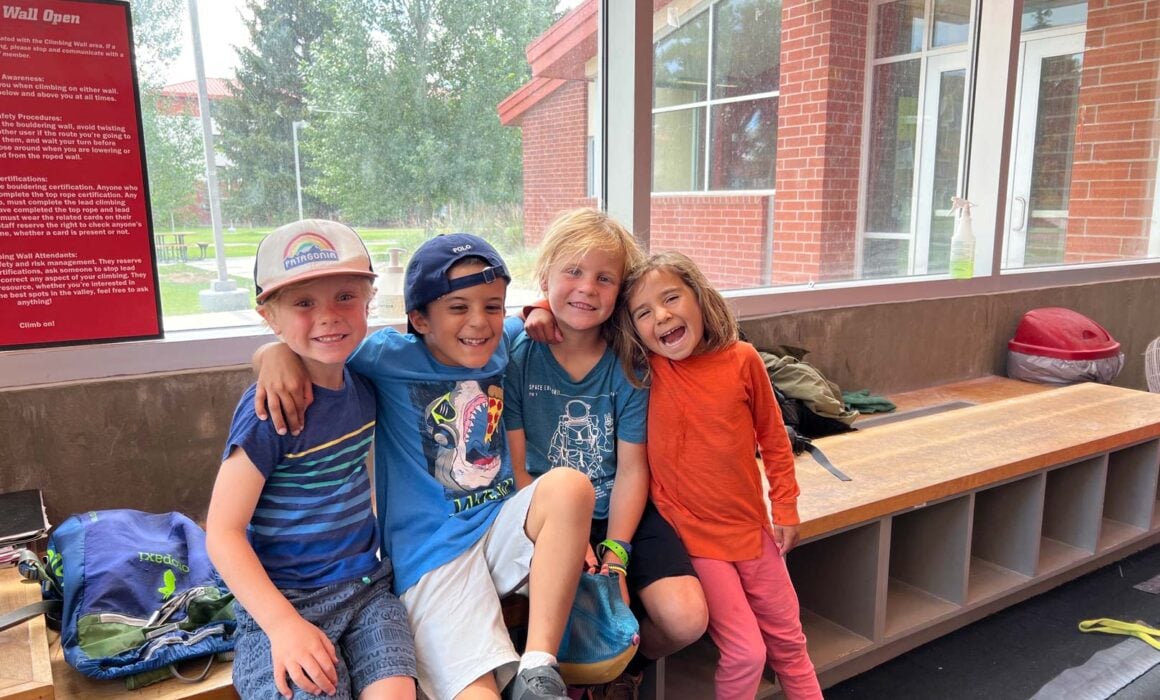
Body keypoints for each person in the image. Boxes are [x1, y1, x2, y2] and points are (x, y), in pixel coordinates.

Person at [253, 233, 595, 700]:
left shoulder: (500, 345)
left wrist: (535, 310)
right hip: (433, 555)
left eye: (491, 307)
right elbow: (317, 343)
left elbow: (529, 317)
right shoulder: (385, 357)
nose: (479, 322)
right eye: (458, 308)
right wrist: (270, 355)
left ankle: (537, 668)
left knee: (571, 487)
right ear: (419, 318)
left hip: (496, 528)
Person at [206, 219, 417, 700]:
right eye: (304, 303)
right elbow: (221, 531)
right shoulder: (268, 411)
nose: (329, 316)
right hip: (283, 603)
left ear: (368, 301)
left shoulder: (366, 383)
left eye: (345, 296)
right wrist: (282, 625)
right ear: (270, 316)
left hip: (366, 592)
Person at [510, 209, 708, 699]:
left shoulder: (629, 362)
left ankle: (625, 665)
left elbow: (632, 469)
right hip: (543, 513)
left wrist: (616, 555)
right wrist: (565, 538)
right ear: (546, 277)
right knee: (556, 620)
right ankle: (573, 673)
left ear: (620, 291)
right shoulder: (517, 352)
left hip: (620, 510)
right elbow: (517, 466)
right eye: (572, 272)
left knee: (687, 618)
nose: (586, 288)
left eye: (604, 278)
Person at [613, 251, 823, 700]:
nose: (662, 316)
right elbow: (580, 317)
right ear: (633, 328)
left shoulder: (743, 360)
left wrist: (785, 503)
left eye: (671, 298)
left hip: (752, 532)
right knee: (747, 651)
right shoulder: (646, 370)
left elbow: (774, 439)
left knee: (789, 644)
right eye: (644, 312)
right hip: (695, 538)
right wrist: (541, 309)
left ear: (700, 297)